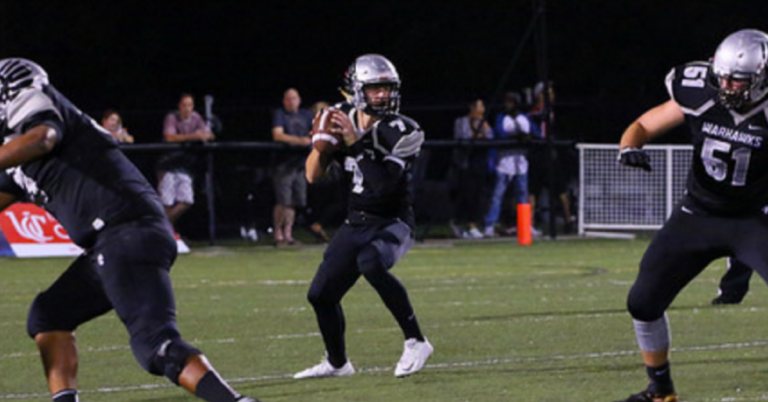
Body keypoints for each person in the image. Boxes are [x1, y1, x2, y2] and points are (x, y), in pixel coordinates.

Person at [0, 59, 257, 402]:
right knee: (49, 315)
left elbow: (43, 138)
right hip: (110, 241)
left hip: (127, 230)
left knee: (155, 345)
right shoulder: (15, 149)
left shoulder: (40, 111)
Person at [614, 29, 768, 402]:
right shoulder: (701, 88)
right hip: (697, 214)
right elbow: (645, 124)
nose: (727, 86)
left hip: (754, 219)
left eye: (737, 80)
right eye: (722, 76)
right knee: (643, 302)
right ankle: (660, 391)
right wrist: (629, 147)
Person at [295, 54, 433, 379]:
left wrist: (356, 144)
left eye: (386, 88)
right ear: (357, 91)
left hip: (393, 221)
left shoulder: (401, 130)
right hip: (355, 220)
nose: (383, 95)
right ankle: (337, 363)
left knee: (371, 263)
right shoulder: (340, 116)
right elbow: (312, 176)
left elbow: (384, 188)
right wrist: (321, 146)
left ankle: (416, 340)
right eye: (375, 89)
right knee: (320, 295)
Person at [483, 91, 539, 238]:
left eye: (510, 102)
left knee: (522, 195)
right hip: (504, 162)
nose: (507, 104)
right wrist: (517, 136)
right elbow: (500, 133)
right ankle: (489, 226)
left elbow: (536, 132)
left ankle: (526, 226)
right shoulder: (502, 118)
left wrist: (528, 137)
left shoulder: (524, 118)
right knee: (497, 195)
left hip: (520, 162)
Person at [157, 93, 214, 228]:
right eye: (184, 105)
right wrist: (194, 136)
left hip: (184, 166)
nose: (187, 108)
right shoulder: (172, 117)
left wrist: (204, 134)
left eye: (190, 105)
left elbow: (209, 134)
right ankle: (167, 231)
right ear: (179, 106)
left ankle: (163, 227)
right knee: (167, 202)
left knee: (187, 200)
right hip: (168, 164)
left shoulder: (196, 117)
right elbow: (169, 137)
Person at [271, 88, 313, 246]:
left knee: (295, 201)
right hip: (284, 164)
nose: (291, 102)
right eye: (288, 99)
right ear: (284, 101)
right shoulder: (280, 114)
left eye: (294, 98)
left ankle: (288, 234)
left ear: (299, 99)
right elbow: (277, 134)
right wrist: (299, 140)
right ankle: (277, 233)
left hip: (301, 164)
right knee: (283, 200)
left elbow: (314, 132)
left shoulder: (306, 115)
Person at [450, 98, 493, 239]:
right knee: (467, 194)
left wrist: (483, 128)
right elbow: (463, 138)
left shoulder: (484, 122)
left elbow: (490, 137)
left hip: (480, 162)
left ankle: (471, 224)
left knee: (479, 194)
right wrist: (477, 133)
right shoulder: (462, 121)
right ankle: (466, 224)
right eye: (480, 106)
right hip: (466, 162)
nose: (483, 110)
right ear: (473, 107)